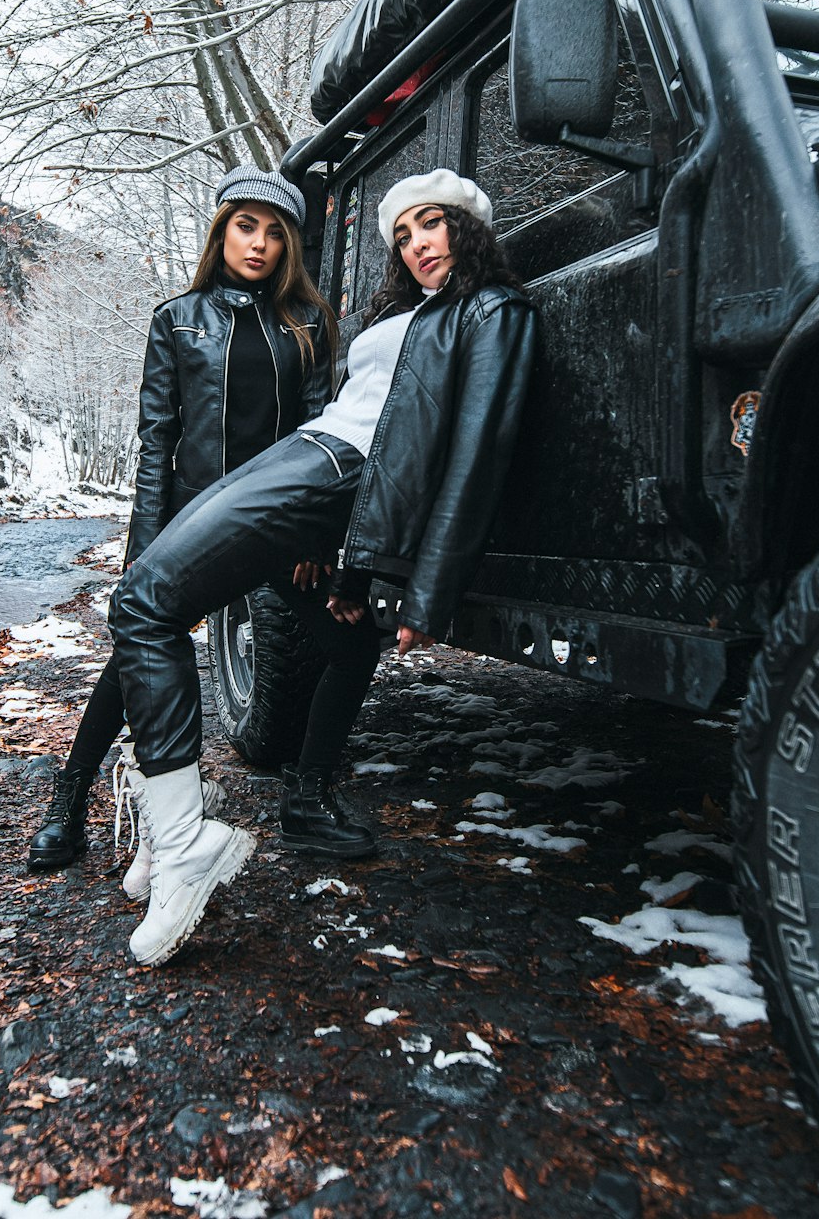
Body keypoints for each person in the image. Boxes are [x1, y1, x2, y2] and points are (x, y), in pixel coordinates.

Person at [109, 168, 537, 967]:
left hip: (336, 466)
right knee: (179, 608)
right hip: (315, 460)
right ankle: (217, 821)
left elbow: (474, 455)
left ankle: (182, 838)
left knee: (142, 605)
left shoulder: (492, 310)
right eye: (403, 235)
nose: (416, 246)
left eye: (432, 225)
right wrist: (351, 570)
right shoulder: (413, 312)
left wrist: (425, 585)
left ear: (469, 228)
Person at [27, 166, 337, 875]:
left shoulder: (309, 321)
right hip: (193, 520)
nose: (258, 244)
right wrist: (144, 549)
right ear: (222, 230)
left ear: (290, 243)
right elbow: (156, 441)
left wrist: (319, 534)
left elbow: (322, 434)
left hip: (281, 523)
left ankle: (312, 796)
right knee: (135, 653)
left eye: (274, 232)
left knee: (347, 643)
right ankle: (69, 801)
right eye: (244, 225)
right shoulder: (177, 318)